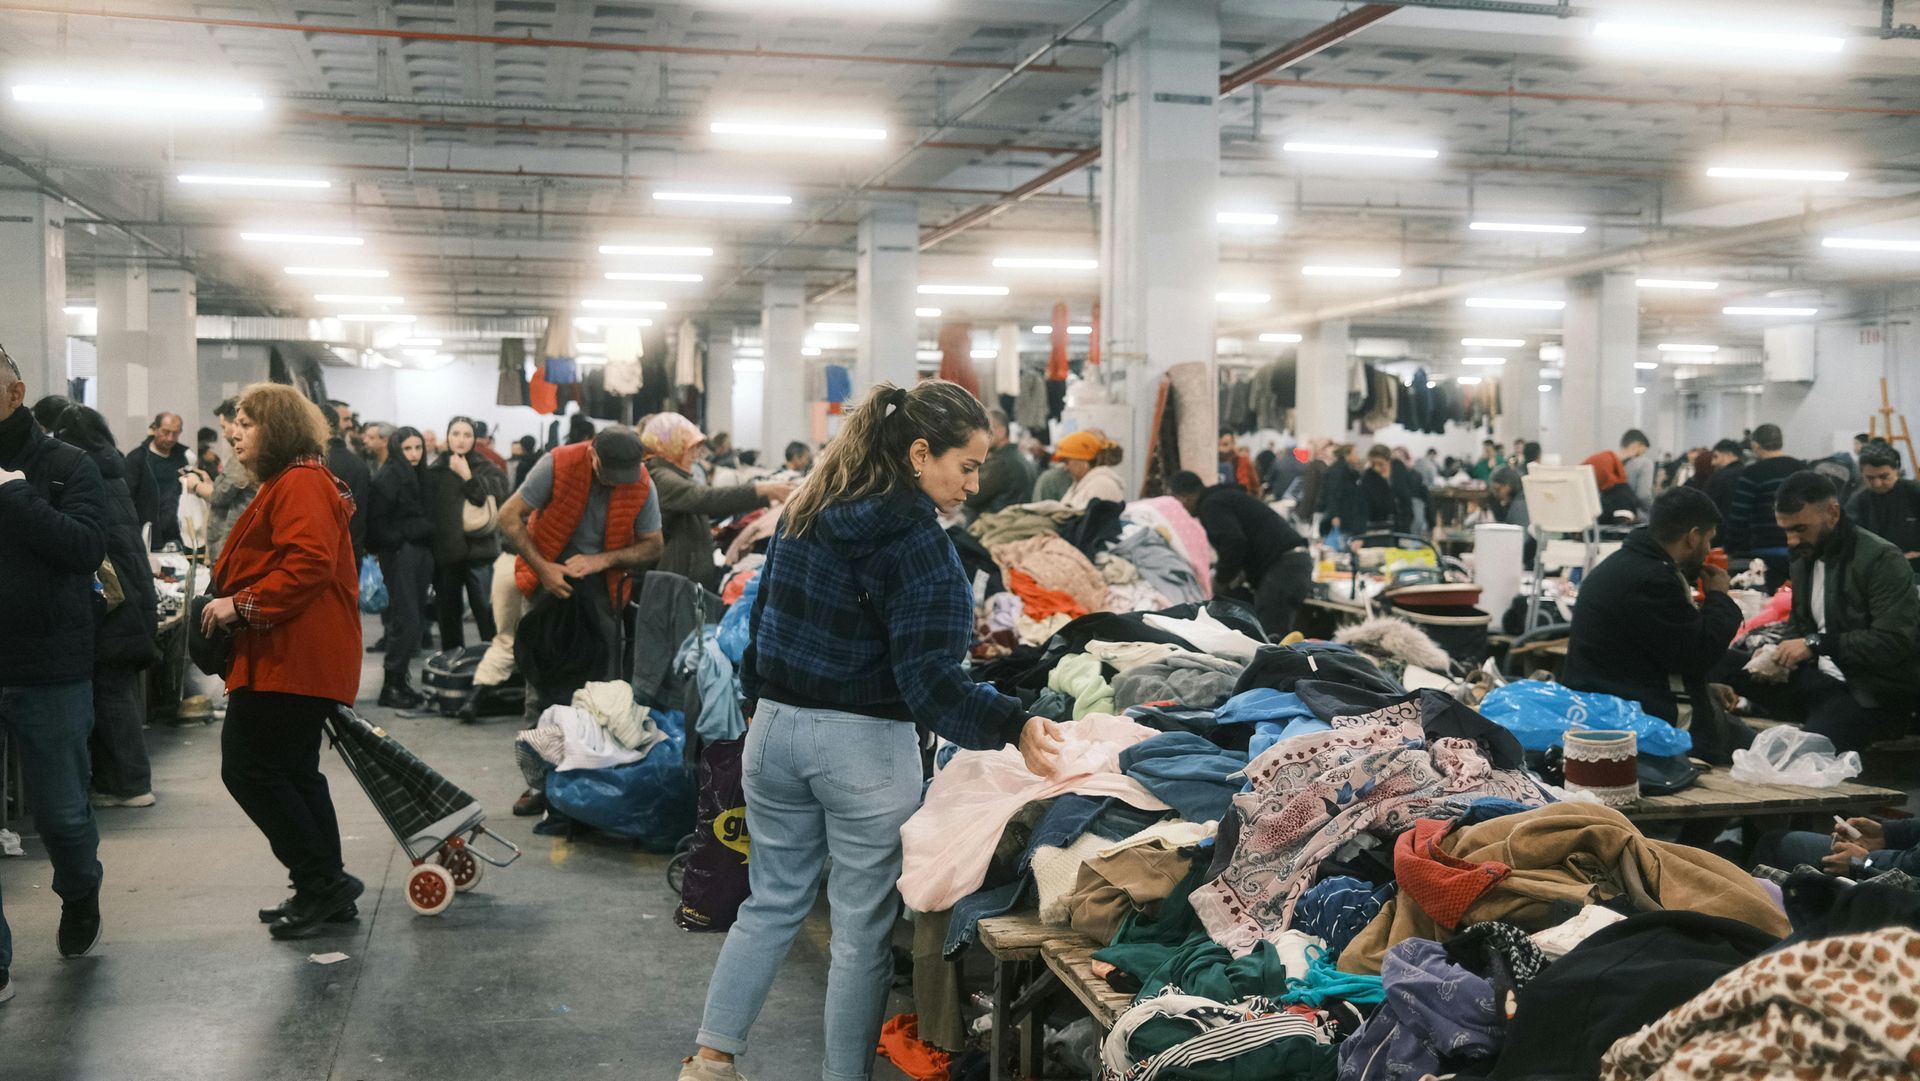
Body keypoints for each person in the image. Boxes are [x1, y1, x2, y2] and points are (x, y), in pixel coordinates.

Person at [679, 380, 1063, 1081]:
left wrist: (765, 705)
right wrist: (1016, 722)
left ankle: (711, 1057)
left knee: (769, 903)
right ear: (919, 453)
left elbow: (760, 632)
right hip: (863, 751)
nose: (974, 483)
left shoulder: (807, 512)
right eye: (966, 465)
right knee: (858, 934)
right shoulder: (923, 549)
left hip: (774, 733)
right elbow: (931, 683)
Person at [202, 383, 364, 939]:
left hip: (292, 657)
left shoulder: (298, 482)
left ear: (277, 427)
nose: (234, 432)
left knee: (248, 767)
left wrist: (238, 607)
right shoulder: (297, 480)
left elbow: (307, 566)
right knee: (295, 772)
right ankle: (326, 886)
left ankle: (322, 883)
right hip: (295, 655)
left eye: (247, 422)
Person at [0, 345, 110, 997]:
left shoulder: (69, 465)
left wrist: (14, 497)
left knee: (61, 814)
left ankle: (81, 891)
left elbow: (86, 548)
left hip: (49, 667)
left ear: (13, 394)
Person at [499, 427, 664, 813]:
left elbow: (654, 545)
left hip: (602, 591)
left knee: (601, 691)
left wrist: (601, 560)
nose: (617, 483)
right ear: (592, 456)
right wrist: (543, 569)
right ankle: (540, 784)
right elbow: (508, 517)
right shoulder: (556, 464)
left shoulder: (641, 482)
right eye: (609, 475)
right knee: (541, 684)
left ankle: (592, 784)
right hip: (547, 582)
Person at [1725, 471, 1920, 753]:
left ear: (1832, 512)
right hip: (1817, 682)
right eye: (1786, 530)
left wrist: (1816, 644)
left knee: (1798, 754)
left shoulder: (1881, 559)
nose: (1791, 540)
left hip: (1869, 694)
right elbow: (1798, 628)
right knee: (1720, 660)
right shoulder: (1804, 556)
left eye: (1800, 529)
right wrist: (1776, 653)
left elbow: (1894, 642)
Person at [1561, 487, 1746, 757]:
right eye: (1708, 539)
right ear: (1693, 537)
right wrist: (1719, 597)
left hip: (1608, 711)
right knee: (1770, 751)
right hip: (1647, 728)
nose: (1708, 549)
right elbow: (1699, 653)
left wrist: (1703, 689)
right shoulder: (1653, 580)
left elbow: (1647, 657)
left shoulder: (1622, 566)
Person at [44, 403, 161, 808]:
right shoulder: (114, 467)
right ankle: (121, 782)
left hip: (111, 599)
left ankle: (130, 784)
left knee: (110, 693)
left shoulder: (77, 471)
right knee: (116, 691)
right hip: (133, 592)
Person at [643, 413, 791, 591]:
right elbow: (706, 499)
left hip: (683, 584)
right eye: (689, 448)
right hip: (672, 589)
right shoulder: (662, 478)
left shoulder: (677, 475)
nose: (696, 455)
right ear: (670, 446)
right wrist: (764, 490)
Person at [1171, 470, 1311, 639]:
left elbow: (1233, 542)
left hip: (1283, 568)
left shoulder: (1211, 504)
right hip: (1294, 564)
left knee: (1270, 640)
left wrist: (1221, 580)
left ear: (1186, 497)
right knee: (1273, 636)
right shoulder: (1225, 497)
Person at [427, 416, 510, 650]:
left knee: (486, 612)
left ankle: (493, 672)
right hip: (446, 554)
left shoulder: (488, 468)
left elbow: (497, 499)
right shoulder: (436, 470)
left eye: (467, 435)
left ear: (474, 439)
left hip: (480, 553)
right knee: (448, 616)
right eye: (456, 434)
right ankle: (453, 665)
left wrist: (468, 477)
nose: (461, 440)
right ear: (448, 436)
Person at [367, 426, 435, 709]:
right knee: (406, 620)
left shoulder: (415, 474)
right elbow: (377, 523)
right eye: (408, 448)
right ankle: (392, 685)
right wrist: (403, 538)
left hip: (415, 551)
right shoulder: (390, 476)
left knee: (413, 619)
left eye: (418, 447)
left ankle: (398, 682)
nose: (414, 454)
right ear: (397, 449)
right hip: (402, 552)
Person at [1727, 423, 1805, 592]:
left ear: (1755, 446)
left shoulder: (1752, 473)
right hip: (1800, 550)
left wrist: (1733, 549)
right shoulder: (1802, 469)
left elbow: (1739, 516)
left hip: (1764, 553)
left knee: (1766, 604)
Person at [182, 397, 258, 561]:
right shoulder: (240, 456)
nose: (225, 434)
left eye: (225, 427)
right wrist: (211, 485)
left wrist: (195, 486)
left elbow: (221, 495)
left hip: (234, 549)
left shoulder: (244, 458)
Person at [1846, 443, 1920, 579]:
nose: (1877, 483)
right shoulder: (1858, 501)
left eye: (1884, 477)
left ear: (1896, 470)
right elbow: (1851, 540)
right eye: (1870, 478)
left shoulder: (1914, 492)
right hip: (1877, 570)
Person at [126, 410, 189, 550]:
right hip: (147, 531)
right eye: (166, 432)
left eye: (176, 433)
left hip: (177, 533)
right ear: (155, 429)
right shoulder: (137, 459)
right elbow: (128, 499)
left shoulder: (183, 458)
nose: (171, 438)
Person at [963, 408, 1035, 519]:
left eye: (985, 430)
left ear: (1001, 432)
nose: (981, 436)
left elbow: (969, 497)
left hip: (994, 529)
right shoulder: (1020, 458)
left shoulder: (1000, 463)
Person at [324, 405, 371, 563]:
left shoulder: (307, 464)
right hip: (348, 555)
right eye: (345, 419)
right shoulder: (357, 464)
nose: (350, 425)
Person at [1053, 430, 1126, 509]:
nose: (1065, 468)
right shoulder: (1082, 484)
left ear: (1083, 461)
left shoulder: (1101, 486)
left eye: (1066, 462)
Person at [1357, 444, 1411, 533]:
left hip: (1402, 523)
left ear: (1389, 460)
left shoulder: (1399, 468)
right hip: (1378, 525)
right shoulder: (1368, 477)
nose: (1376, 468)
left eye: (1380, 464)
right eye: (1373, 464)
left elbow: (1405, 496)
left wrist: (1407, 519)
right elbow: (1362, 507)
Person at [1704, 438, 1746, 528]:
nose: (1712, 463)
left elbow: (1706, 507)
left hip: (1721, 531)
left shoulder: (1718, 478)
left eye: (1716, 457)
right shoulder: (1750, 475)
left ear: (1729, 455)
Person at [1216, 430, 1263, 497]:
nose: (1220, 449)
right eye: (1218, 445)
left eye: (1225, 444)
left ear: (1233, 444)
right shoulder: (1214, 462)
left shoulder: (1242, 461)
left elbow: (1255, 487)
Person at [1029, 435, 1073, 503]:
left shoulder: (1050, 459)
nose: (1033, 452)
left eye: (1033, 449)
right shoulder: (1035, 461)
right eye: (1031, 450)